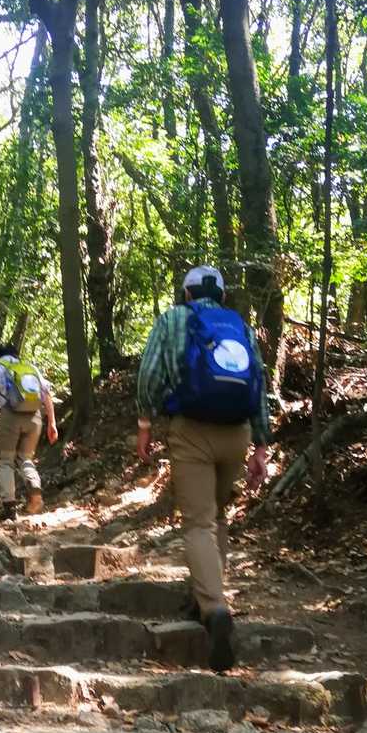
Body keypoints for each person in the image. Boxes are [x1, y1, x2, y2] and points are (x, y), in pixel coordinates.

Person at [136, 265, 271, 672]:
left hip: (192, 430)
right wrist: (261, 445)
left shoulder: (173, 319)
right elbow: (259, 382)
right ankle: (205, 597)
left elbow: (150, 374)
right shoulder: (239, 326)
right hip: (237, 432)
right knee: (218, 516)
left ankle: (214, 609)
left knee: (198, 523)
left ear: (187, 294)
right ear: (223, 296)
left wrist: (145, 423)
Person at [0, 343, 58, 520]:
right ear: (16, 355)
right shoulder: (30, 368)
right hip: (34, 417)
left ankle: (9, 508)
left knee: (6, 461)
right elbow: (46, 395)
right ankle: (35, 488)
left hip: (10, 417)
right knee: (25, 459)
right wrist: (52, 423)